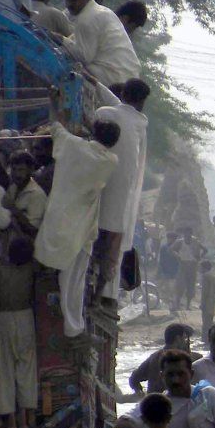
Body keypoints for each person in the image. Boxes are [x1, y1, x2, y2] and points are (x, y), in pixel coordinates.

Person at [34, 97, 120, 342]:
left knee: (66, 278)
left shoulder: (72, 146)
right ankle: (74, 327)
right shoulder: (110, 161)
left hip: (59, 221)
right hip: (83, 227)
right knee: (75, 280)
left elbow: (55, 125)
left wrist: (54, 101)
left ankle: (72, 326)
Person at [95, 78, 150, 299]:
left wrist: (95, 84)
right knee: (112, 245)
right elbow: (121, 107)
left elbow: (115, 107)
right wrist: (97, 84)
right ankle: (103, 295)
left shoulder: (105, 114)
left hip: (97, 185)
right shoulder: (140, 122)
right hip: (122, 195)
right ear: (142, 102)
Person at [59, 0, 141, 87]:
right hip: (127, 78)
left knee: (70, 67)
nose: (69, 4)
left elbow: (83, 57)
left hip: (111, 78)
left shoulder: (87, 18)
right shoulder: (103, 12)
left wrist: (61, 39)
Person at [0, 236, 37, 428]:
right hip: (25, 317)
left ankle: (10, 418)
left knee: (4, 368)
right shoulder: (31, 269)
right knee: (26, 367)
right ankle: (26, 418)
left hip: (3, 319)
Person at [1, 150, 46, 242]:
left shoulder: (36, 194)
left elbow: (34, 230)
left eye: (21, 170)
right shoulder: (13, 188)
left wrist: (13, 209)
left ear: (30, 170)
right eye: (14, 169)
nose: (17, 174)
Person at [171, 227, 205, 311]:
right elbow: (172, 249)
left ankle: (188, 305)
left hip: (193, 266)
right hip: (183, 265)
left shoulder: (196, 241)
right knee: (180, 285)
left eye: (189, 233)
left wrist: (199, 258)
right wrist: (177, 256)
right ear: (184, 234)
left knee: (191, 286)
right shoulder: (180, 242)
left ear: (191, 234)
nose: (187, 235)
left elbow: (205, 250)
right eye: (186, 233)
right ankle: (177, 304)